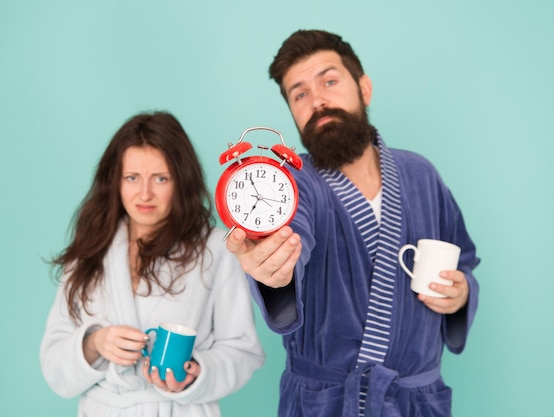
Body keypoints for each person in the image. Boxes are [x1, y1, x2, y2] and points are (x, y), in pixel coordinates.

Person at [225, 29, 480, 417]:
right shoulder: (292, 182)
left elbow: (463, 261)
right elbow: (291, 238)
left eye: (329, 81)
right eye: (300, 94)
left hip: (416, 403)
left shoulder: (421, 174)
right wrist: (274, 271)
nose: (318, 101)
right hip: (324, 404)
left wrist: (460, 296)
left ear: (364, 88)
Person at [40, 111, 265, 417]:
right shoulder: (91, 248)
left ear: (181, 181)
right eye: (132, 178)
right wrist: (95, 343)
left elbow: (243, 350)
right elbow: (54, 364)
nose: (144, 194)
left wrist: (195, 375)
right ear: (115, 181)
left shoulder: (217, 249)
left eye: (160, 178)